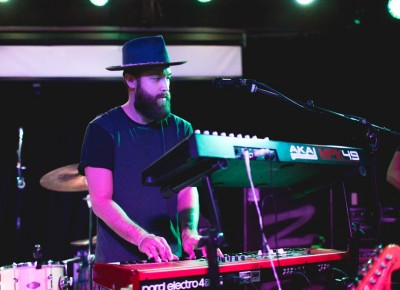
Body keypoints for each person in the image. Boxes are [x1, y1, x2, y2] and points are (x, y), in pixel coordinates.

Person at [78, 35, 222, 266]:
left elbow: (187, 189)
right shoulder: (102, 130)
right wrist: (142, 237)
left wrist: (189, 232)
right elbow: (101, 201)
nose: (165, 86)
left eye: (168, 78)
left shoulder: (181, 129)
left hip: (172, 261)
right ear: (131, 80)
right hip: (119, 265)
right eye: (156, 78)